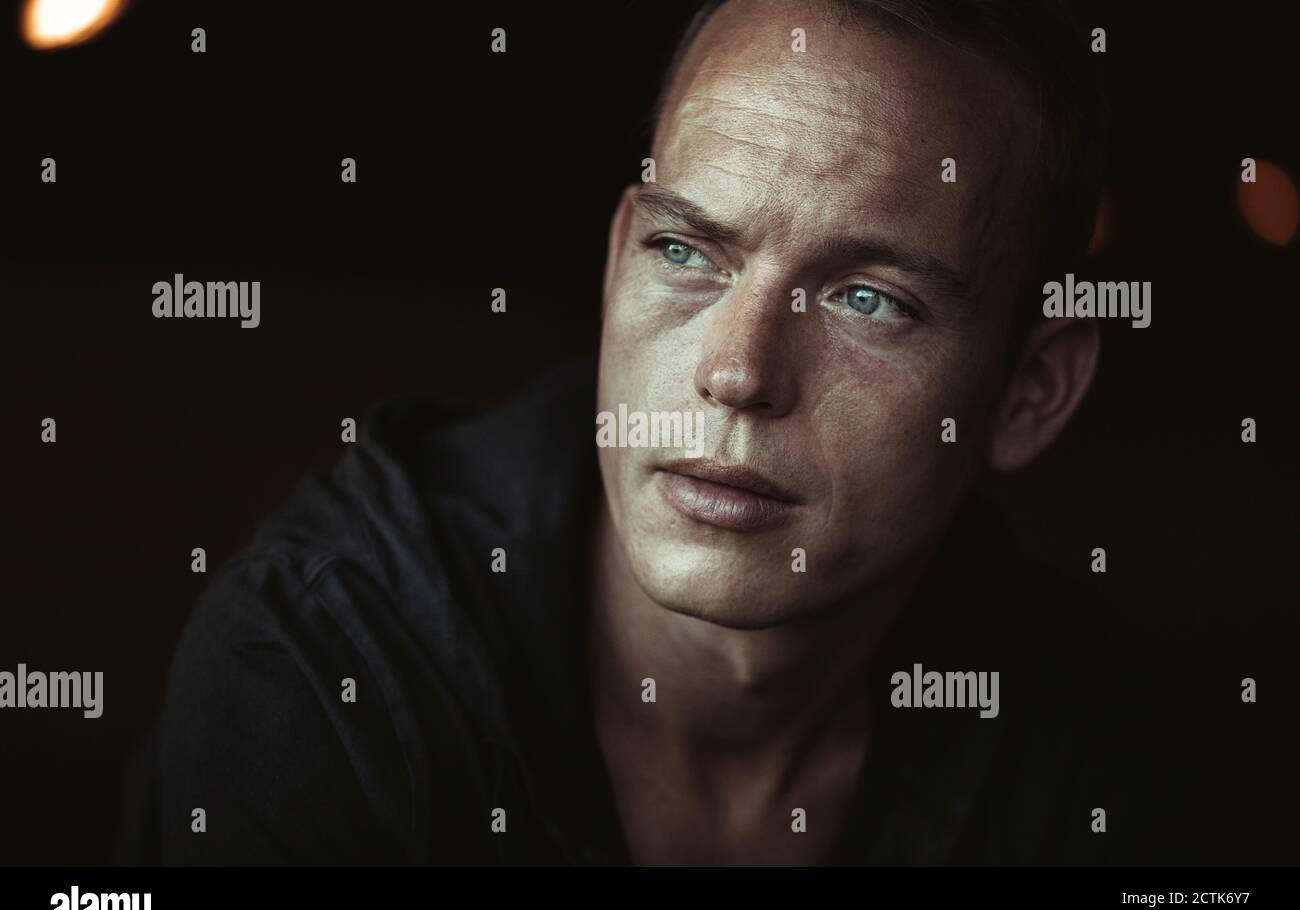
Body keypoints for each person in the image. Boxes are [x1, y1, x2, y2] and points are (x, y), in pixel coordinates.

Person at [118, 0, 1141, 866]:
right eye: (685, 248)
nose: (736, 370)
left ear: (1029, 390)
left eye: (868, 300)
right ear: (617, 263)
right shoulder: (326, 669)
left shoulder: (1083, 732)